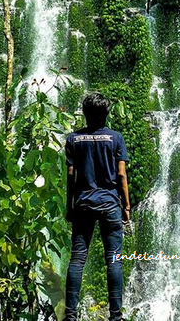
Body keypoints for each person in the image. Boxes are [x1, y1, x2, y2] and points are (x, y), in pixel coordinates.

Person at [64, 92, 131, 321]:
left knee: (77, 259)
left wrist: (69, 206)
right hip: (110, 203)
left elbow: (71, 176)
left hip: (82, 204)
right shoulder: (115, 138)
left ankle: (70, 315)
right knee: (113, 259)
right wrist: (127, 206)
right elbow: (121, 175)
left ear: (85, 113)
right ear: (106, 114)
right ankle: (116, 316)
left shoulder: (73, 139)